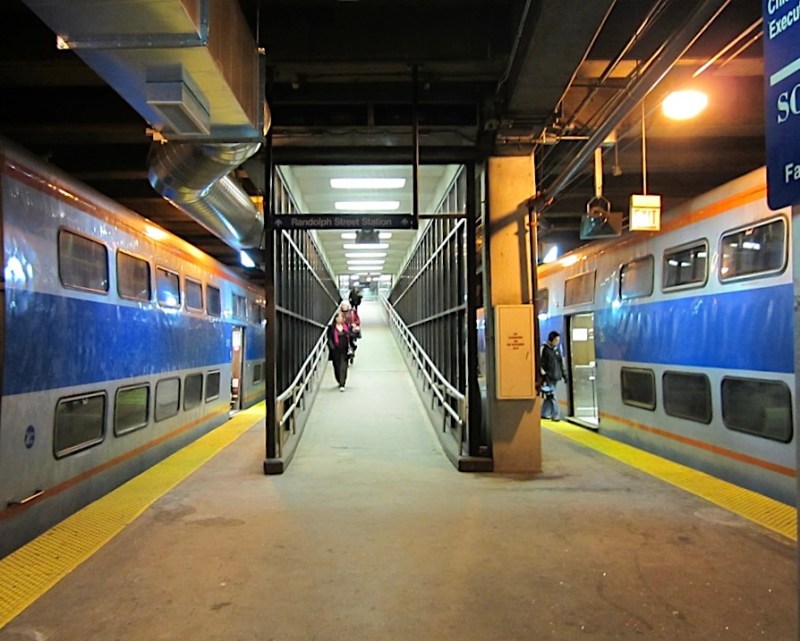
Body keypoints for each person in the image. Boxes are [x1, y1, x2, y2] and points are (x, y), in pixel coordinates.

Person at [540, 330, 568, 421]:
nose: (557, 342)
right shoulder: (545, 349)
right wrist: (544, 374)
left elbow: (560, 364)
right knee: (553, 396)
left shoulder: (557, 350)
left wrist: (564, 375)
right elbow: (542, 363)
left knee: (549, 395)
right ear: (551, 340)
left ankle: (544, 412)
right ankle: (556, 415)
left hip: (556, 376)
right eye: (556, 340)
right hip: (549, 376)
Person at [327, 311, 352, 391]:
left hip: (345, 350)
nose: (340, 319)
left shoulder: (346, 327)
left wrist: (354, 331)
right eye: (338, 317)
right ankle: (339, 379)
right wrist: (332, 347)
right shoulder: (331, 328)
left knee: (343, 367)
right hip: (335, 351)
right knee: (337, 366)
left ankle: (342, 383)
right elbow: (329, 338)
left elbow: (352, 336)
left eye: (341, 317)